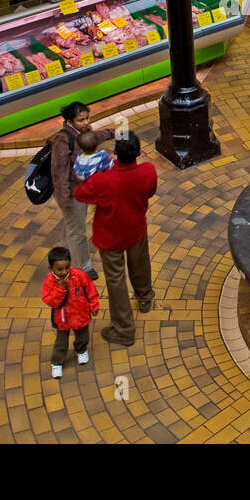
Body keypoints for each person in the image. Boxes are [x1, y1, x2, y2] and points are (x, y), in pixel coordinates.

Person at [74, 131, 158, 347]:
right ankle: (145, 298)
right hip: (136, 228)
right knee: (140, 263)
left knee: (115, 279)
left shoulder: (103, 180)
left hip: (110, 235)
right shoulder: (147, 171)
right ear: (138, 152)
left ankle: (123, 328)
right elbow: (149, 192)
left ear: (114, 153)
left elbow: (81, 194)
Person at [50, 102, 116, 282]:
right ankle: (83, 266)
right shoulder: (62, 140)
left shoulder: (83, 132)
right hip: (71, 193)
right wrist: (65, 200)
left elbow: (94, 137)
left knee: (72, 224)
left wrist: (112, 133)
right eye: (81, 120)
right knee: (78, 231)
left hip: (81, 189)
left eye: (87, 118)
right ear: (70, 121)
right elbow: (59, 172)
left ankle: (62, 249)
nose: (86, 122)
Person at [40, 246, 99, 379]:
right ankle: (57, 362)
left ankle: (81, 349)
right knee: (61, 342)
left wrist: (94, 305)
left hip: (81, 313)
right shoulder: (49, 282)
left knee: (83, 335)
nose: (64, 272)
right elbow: (49, 301)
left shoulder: (78, 274)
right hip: (62, 318)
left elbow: (90, 289)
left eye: (67, 267)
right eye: (59, 269)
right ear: (51, 268)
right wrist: (60, 289)